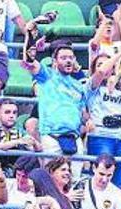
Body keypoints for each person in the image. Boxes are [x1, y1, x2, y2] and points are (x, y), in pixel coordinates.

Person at [24, 41, 89, 172]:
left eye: (71, 58)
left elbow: (83, 115)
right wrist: (30, 36)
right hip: (52, 138)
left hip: (74, 139)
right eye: (63, 58)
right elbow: (29, 60)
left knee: (74, 181)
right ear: (55, 61)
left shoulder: (79, 86)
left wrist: (89, 120)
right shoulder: (47, 76)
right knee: (52, 182)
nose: (68, 61)